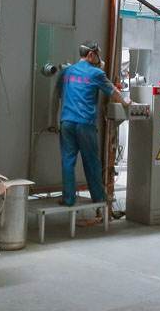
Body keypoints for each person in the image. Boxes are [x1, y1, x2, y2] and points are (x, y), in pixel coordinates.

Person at [52, 41, 131, 207]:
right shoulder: (96, 73)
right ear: (90, 55)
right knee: (91, 161)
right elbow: (114, 91)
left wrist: (53, 120)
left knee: (67, 161)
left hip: (66, 122)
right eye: (97, 55)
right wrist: (125, 102)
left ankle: (68, 199)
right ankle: (98, 196)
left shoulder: (66, 72)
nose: (99, 59)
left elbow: (55, 96)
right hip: (85, 123)